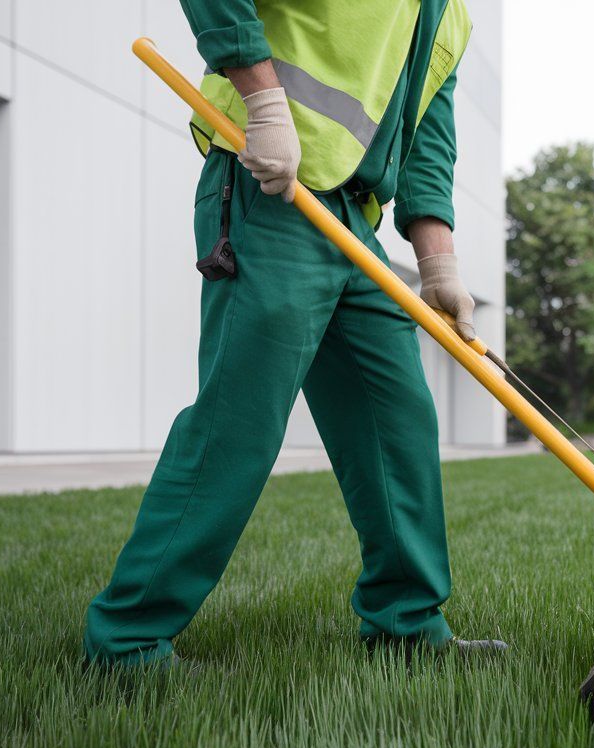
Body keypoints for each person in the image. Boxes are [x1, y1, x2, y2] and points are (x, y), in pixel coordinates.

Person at [83, 0, 507, 668]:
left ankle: (406, 622)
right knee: (239, 420)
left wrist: (438, 260)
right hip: (271, 192)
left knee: (397, 418)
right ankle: (128, 638)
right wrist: (265, 105)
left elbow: (428, 141)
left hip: (354, 224)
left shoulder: (448, 15)